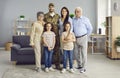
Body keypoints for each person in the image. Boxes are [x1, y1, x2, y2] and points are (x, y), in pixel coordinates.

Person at [72, 7, 93, 73]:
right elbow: (72, 29)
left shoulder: (85, 19)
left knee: (83, 53)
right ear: (75, 12)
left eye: (78, 11)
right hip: (76, 38)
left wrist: (86, 36)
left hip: (83, 37)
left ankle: (84, 67)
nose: (77, 13)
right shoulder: (73, 20)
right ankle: (79, 65)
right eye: (76, 11)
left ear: (81, 12)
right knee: (77, 53)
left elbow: (90, 29)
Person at [44, 3, 61, 69]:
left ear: (54, 8)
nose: (51, 8)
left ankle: (57, 65)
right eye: (50, 7)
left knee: (57, 50)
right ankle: (48, 66)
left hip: (56, 35)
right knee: (47, 51)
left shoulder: (58, 16)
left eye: (52, 7)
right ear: (48, 8)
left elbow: (61, 26)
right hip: (48, 36)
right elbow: (43, 25)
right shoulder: (45, 16)